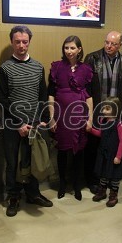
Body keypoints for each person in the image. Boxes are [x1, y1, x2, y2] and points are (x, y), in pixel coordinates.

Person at [0, 25, 53, 217]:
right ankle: (13, 197)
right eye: (17, 41)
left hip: (34, 124)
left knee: (32, 161)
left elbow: (42, 95)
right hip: (13, 126)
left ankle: (33, 194)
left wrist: (43, 119)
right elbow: (2, 101)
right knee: (13, 163)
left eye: (25, 42)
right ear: (12, 42)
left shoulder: (38, 67)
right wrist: (19, 123)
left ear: (29, 42)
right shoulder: (5, 69)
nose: (21, 45)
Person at [84, 31, 122, 192]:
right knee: (94, 147)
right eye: (107, 42)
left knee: (112, 147)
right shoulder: (92, 58)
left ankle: (109, 180)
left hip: (115, 113)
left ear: (120, 45)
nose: (109, 46)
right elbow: (86, 88)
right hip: (97, 111)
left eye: (113, 44)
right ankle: (93, 180)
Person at [48, 35, 93, 200]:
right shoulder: (56, 67)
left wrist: (90, 119)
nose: (69, 51)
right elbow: (51, 95)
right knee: (62, 151)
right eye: (66, 47)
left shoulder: (86, 69)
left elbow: (89, 97)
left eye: (72, 48)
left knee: (78, 152)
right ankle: (62, 183)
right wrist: (52, 117)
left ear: (79, 49)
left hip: (79, 115)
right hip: (61, 115)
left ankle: (76, 185)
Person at [86, 97, 122, 207]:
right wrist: (91, 130)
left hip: (114, 155)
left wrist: (118, 156)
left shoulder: (119, 124)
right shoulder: (103, 121)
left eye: (107, 108)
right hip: (104, 153)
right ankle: (102, 191)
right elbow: (101, 134)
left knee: (114, 176)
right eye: (104, 108)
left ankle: (113, 194)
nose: (104, 111)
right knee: (103, 174)